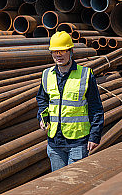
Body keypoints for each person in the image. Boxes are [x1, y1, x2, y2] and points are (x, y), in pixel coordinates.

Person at [36, 30, 104, 171]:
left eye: (62, 51)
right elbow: (42, 99)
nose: (58, 55)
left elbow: (96, 107)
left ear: (71, 51)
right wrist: (43, 117)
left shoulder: (85, 75)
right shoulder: (47, 75)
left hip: (78, 141)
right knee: (58, 180)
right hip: (55, 141)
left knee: (75, 179)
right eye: (55, 51)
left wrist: (94, 136)